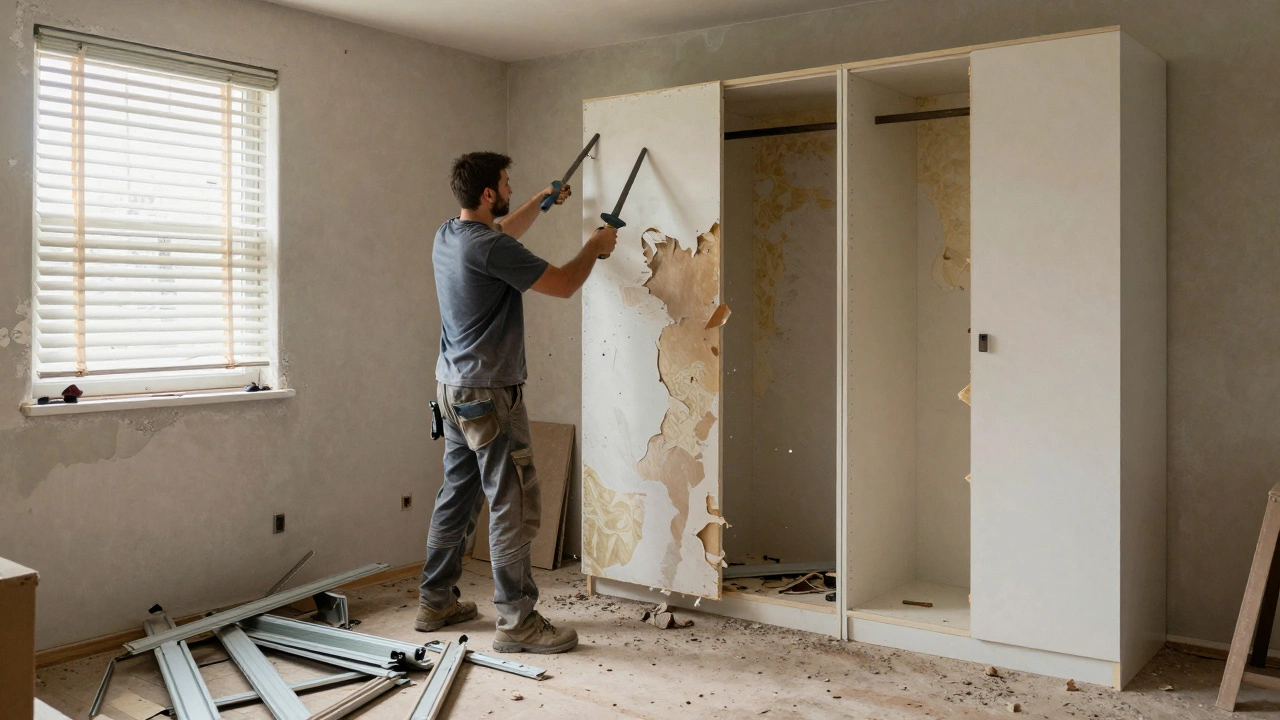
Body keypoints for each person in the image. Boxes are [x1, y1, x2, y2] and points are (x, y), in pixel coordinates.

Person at [417, 151, 617, 654]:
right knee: (512, 501)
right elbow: (565, 284)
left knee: (457, 495)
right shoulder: (491, 248)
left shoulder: (448, 234)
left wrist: (539, 201)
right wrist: (594, 246)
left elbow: (501, 230)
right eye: (506, 183)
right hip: (489, 394)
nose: (510, 188)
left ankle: (434, 601)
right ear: (488, 193)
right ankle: (517, 622)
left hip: (452, 389)